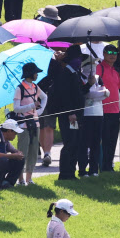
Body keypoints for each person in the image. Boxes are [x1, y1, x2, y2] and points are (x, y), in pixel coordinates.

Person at [45, 46, 87, 180]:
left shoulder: (75, 73)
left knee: (76, 142)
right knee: (70, 142)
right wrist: (71, 112)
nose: (79, 61)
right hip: (69, 115)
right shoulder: (65, 73)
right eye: (77, 58)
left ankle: (71, 172)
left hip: (76, 114)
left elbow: (79, 93)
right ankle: (65, 173)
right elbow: (66, 96)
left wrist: (90, 84)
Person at [13, 62, 47, 185]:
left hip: (35, 123)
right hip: (23, 124)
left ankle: (29, 178)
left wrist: (40, 111)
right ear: (29, 74)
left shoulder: (35, 87)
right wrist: (33, 105)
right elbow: (16, 108)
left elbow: (44, 97)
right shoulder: (19, 89)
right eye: (35, 73)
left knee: (33, 151)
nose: (37, 75)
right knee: (22, 151)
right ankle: (20, 179)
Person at [78, 51, 107, 177]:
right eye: (90, 65)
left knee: (96, 142)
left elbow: (106, 92)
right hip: (86, 114)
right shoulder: (80, 78)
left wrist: (100, 94)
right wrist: (98, 94)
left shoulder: (98, 78)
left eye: (94, 64)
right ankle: (82, 170)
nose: (93, 67)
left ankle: (94, 169)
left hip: (98, 113)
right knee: (84, 143)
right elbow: (88, 94)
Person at [97, 45, 120, 172]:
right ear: (104, 53)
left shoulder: (115, 72)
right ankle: (102, 166)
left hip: (115, 110)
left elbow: (117, 91)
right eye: (109, 52)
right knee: (105, 140)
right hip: (103, 110)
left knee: (113, 140)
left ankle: (109, 166)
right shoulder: (99, 68)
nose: (112, 55)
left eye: (115, 53)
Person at [0, 118, 25, 189]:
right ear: (9, 131)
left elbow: (12, 149)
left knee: (20, 159)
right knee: (2, 160)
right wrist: (12, 156)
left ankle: (8, 182)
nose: (15, 135)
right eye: (15, 133)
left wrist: (18, 153)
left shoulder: (6, 139)